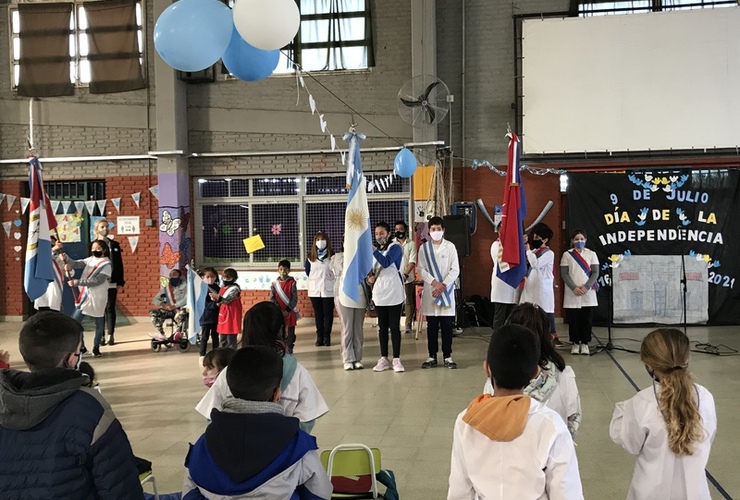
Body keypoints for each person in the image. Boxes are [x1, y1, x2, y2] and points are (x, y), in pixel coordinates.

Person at [0, 311, 143, 498]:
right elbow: (120, 489)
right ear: (70, 359)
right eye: (80, 351)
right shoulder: (89, 408)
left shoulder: (4, 401)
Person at [448, 324, 583, 499]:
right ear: (535, 372)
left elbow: (459, 493)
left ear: (487, 369)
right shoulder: (551, 425)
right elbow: (567, 494)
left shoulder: (466, 421)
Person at [184, 346, 333, 499]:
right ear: (277, 394)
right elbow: (320, 494)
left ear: (228, 388)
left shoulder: (203, 446)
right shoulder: (298, 445)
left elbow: (190, 494)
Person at [610, 328, 716, 500]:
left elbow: (631, 444)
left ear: (649, 365)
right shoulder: (704, 397)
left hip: (650, 493)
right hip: (697, 493)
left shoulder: (641, 402)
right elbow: (708, 436)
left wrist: (623, 412)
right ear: (687, 359)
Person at [196, 302, 329, 433]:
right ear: (281, 330)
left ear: (246, 332)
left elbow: (212, 416)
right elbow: (307, 419)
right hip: (284, 450)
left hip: (233, 450)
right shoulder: (299, 373)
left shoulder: (229, 371)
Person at [483, 303, 581, 439]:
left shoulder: (498, 375)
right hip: (554, 449)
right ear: (547, 336)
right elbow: (573, 419)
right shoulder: (564, 374)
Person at [417, 217, 460, 369]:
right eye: (433, 229)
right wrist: (434, 283)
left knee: (447, 326)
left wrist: (443, 285)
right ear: (429, 231)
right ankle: (431, 356)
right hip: (431, 291)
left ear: (443, 230)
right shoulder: (424, 248)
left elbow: (455, 269)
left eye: (438, 229)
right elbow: (421, 269)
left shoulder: (450, 247)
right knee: (432, 327)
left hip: (446, 293)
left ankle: (448, 356)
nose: (436, 232)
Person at [65, 239, 113, 357]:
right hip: (85, 296)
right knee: (75, 322)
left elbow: (97, 281)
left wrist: (77, 282)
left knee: (99, 321)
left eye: (98, 249)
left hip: (98, 296)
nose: (95, 251)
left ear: (104, 250)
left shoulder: (106, 264)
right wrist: (65, 256)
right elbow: (76, 264)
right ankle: (81, 346)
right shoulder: (90, 260)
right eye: (93, 249)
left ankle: (96, 347)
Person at [369, 222, 406, 373]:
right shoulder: (375, 250)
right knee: (382, 327)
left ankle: (396, 358)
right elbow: (370, 269)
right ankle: (384, 358)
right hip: (379, 292)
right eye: (377, 234)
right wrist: (369, 276)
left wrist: (373, 251)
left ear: (389, 234)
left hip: (394, 291)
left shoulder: (396, 247)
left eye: (382, 233)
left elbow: (385, 263)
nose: (379, 236)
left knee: (394, 327)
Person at [519, 223, 564, 347]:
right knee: (529, 310)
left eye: (538, 237)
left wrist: (528, 251)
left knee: (545, 312)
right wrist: (524, 244)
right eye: (534, 236)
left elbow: (535, 263)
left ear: (545, 240)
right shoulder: (535, 251)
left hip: (543, 288)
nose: (535, 239)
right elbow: (526, 259)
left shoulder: (549, 253)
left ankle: (550, 335)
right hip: (532, 286)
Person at [560, 229, 599, 355]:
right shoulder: (567, 255)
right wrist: (574, 288)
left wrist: (586, 287)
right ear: (572, 241)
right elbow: (564, 273)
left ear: (586, 240)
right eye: (576, 239)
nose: (579, 241)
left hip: (587, 291)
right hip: (573, 292)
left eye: (582, 239)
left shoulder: (591, 254)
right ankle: (575, 343)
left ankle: (585, 343)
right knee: (574, 319)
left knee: (586, 318)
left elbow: (595, 272)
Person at [330, 249, 367, 371]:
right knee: (347, 328)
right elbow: (344, 269)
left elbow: (364, 271)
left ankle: (357, 358)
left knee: (357, 328)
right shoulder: (338, 257)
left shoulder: (362, 255)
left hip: (360, 295)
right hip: (343, 295)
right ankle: (347, 358)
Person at [94, 218, 125, 346]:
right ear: (97, 229)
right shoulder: (93, 245)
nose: (105, 229)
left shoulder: (114, 245)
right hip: (98, 282)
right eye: (102, 227)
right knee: (99, 309)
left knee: (110, 307)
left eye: (107, 227)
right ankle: (100, 334)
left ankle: (110, 334)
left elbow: (119, 264)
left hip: (111, 281)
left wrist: (120, 281)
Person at [305, 231, 335, 347]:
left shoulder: (332, 255)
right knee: (318, 314)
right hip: (315, 290)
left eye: (322, 239)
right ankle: (319, 336)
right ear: (315, 242)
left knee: (328, 314)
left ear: (327, 241)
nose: (320, 242)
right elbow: (308, 271)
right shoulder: (310, 257)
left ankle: (327, 336)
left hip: (328, 289)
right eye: (318, 240)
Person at [489, 224, 519, 333]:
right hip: (501, 283)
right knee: (500, 316)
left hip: (513, 283)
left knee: (512, 316)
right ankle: (497, 341)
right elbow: (504, 260)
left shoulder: (516, 244)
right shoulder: (496, 245)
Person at [150, 268, 188, 340]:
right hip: (171, 310)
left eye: (174, 275)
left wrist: (175, 306)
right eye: (170, 275)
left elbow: (187, 299)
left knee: (184, 313)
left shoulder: (186, 286)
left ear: (180, 277)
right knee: (154, 313)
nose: (172, 277)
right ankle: (161, 333)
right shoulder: (167, 288)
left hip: (182, 309)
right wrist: (164, 305)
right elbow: (155, 299)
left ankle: (178, 333)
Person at [270, 259, 299, 353]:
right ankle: (281, 348)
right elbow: (272, 298)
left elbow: (294, 298)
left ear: (289, 270)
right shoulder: (274, 284)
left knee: (290, 331)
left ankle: (289, 347)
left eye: (285, 269)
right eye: (281, 269)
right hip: (278, 312)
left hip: (289, 312)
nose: (283, 272)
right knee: (279, 331)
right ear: (278, 270)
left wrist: (287, 309)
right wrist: (278, 309)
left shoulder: (292, 283)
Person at [394, 221, 417, 334]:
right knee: (395, 302)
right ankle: (394, 324)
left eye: (401, 229)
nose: (399, 231)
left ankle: (408, 325)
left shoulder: (411, 244)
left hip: (407, 278)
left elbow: (412, 262)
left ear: (405, 230)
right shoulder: (392, 244)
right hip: (393, 279)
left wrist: (405, 275)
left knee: (408, 301)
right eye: (396, 229)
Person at [33, 235, 66, 313]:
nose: (50, 244)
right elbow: (44, 258)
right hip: (43, 290)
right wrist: (53, 249)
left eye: (52, 242)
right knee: (42, 314)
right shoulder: (39, 256)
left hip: (55, 289)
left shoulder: (61, 257)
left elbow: (69, 273)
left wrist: (68, 267)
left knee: (53, 314)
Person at [212, 268, 243, 349]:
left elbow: (226, 300)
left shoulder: (235, 289)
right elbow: (220, 300)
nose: (225, 280)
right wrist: (216, 300)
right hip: (223, 314)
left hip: (232, 315)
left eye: (228, 278)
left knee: (231, 338)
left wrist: (218, 298)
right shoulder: (222, 288)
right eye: (224, 277)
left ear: (234, 279)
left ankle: (231, 356)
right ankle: (222, 355)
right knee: (222, 338)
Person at [198, 267, 221, 366]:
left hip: (216, 317)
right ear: (203, 277)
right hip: (206, 317)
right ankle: (202, 355)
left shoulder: (218, 288)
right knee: (204, 337)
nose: (210, 278)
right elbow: (203, 303)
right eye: (208, 276)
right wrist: (214, 305)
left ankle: (215, 353)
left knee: (215, 336)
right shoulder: (202, 289)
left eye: (212, 276)